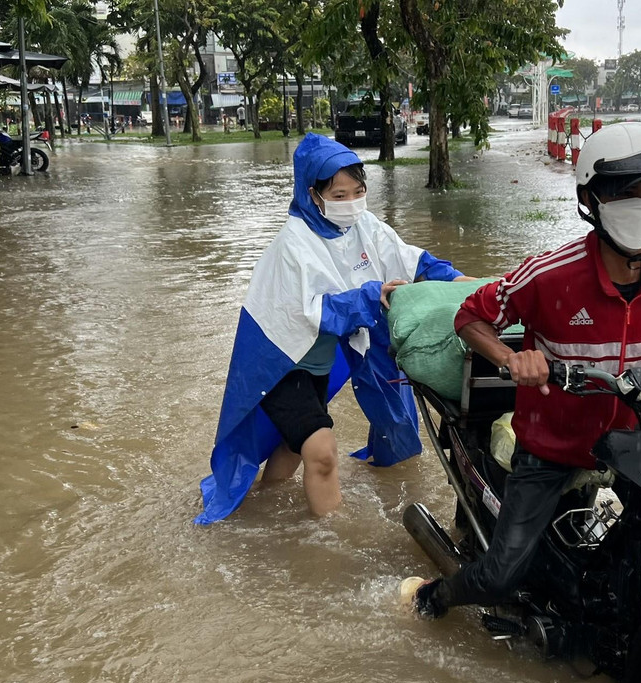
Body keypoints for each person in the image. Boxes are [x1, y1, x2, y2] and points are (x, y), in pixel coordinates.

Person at [403, 122, 641, 617]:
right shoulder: (549, 274)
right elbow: (471, 317)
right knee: (503, 574)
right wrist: (510, 358)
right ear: (592, 197)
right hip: (553, 443)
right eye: (626, 192)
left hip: (632, 437)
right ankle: (432, 598)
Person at [195, 133, 469, 523]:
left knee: (295, 446)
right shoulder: (293, 244)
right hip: (281, 364)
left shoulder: (363, 226)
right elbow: (311, 312)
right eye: (339, 195)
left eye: (358, 191)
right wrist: (371, 294)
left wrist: (466, 284)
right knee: (321, 448)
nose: (351, 202)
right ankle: (328, 537)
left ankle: (266, 504)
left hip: (319, 366)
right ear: (313, 194)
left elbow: (411, 261)